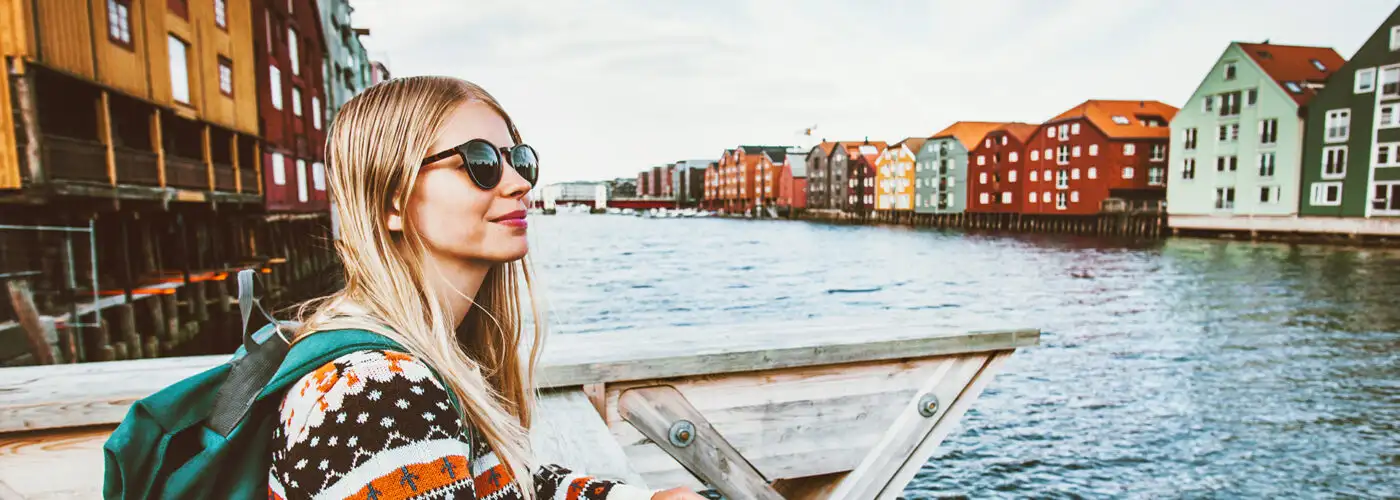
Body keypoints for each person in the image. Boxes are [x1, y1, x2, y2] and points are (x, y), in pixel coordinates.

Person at [268, 76, 701, 500]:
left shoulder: (424, 355)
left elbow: (507, 482)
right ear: (391, 201)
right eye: (481, 163)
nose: (520, 183)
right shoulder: (376, 394)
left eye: (520, 160)